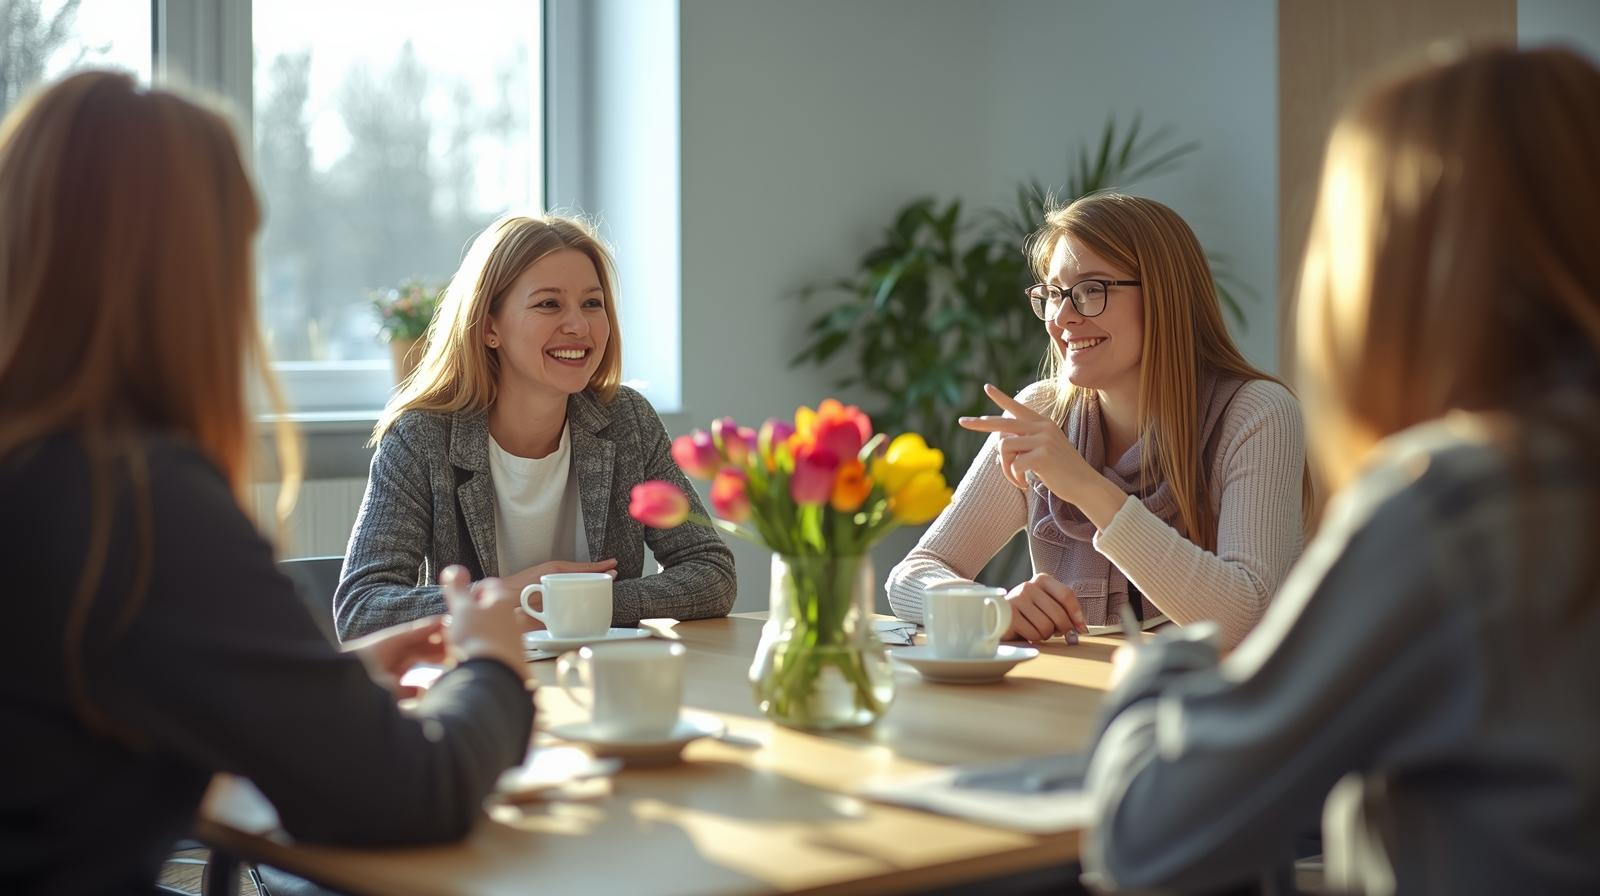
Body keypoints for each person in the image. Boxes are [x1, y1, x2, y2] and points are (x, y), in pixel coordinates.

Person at [1079, 45, 1600, 894]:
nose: (1065, 316)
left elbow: (1151, 835)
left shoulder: (1454, 505)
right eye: (1053, 295)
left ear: (1393, 263)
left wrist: (1155, 671)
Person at [0, 72, 534, 893]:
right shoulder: (135, 502)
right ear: (186, 271)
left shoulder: (41, 469)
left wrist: (326, 686)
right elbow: (411, 795)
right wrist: (494, 669)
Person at [887, 193, 1310, 648]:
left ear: (1164, 295)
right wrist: (989, 607)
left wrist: (1084, 486)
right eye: (1053, 294)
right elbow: (913, 574)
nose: (1062, 317)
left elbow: (1243, 617)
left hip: (1214, 711)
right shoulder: (1044, 413)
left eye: (1092, 289)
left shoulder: (1257, 414)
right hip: (1073, 701)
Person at [334, 214, 736, 640]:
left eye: (592, 303)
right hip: (482, 686)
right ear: (490, 327)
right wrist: (505, 597)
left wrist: (576, 600)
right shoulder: (421, 437)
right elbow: (362, 608)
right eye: (548, 304)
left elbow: (712, 572)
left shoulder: (627, 420)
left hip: (604, 678)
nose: (578, 326)